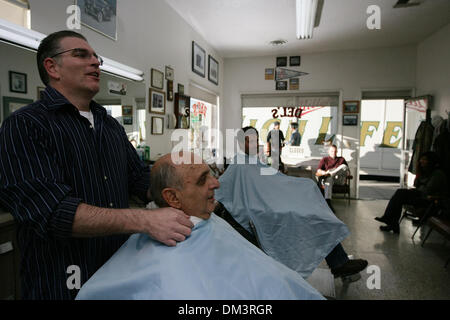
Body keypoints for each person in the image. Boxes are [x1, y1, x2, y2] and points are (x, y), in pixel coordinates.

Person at [0, 31, 193, 300]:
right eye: (81, 55)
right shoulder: (25, 125)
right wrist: (146, 220)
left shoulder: (109, 124)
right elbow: (54, 213)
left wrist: (187, 186)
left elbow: (139, 180)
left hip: (117, 273)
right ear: (51, 67)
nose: (95, 63)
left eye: (96, 57)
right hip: (61, 284)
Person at [76, 152, 324, 300]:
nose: (216, 184)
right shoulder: (170, 263)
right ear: (173, 198)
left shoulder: (210, 223)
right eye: (203, 180)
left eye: (211, 174)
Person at [215, 127, 368, 280]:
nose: (255, 144)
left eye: (256, 140)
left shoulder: (253, 162)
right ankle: (338, 263)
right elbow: (221, 188)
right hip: (261, 211)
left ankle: (339, 261)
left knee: (312, 201)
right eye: (250, 141)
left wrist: (288, 183)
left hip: (270, 205)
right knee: (313, 218)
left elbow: (269, 182)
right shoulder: (238, 164)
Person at [375, 151, 448, 234]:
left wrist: (416, 190)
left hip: (429, 201)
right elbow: (416, 184)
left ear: (431, 161)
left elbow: (427, 190)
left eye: (424, 160)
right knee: (399, 195)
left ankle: (390, 221)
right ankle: (392, 223)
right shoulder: (426, 172)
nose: (421, 161)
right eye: (421, 159)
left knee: (400, 194)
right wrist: (418, 172)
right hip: (422, 196)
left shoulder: (437, 174)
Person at [315, 144, 349, 212]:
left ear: (337, 152)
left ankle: (332, 173)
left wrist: (335, 172)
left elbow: (346, 170)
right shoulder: (325, 159)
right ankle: (328, 202)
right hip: (329, 179)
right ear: (328, 152)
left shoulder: (341, 159)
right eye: (332, 151)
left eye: (335, 151)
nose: (334, 153)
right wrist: (324, 173)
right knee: (329, 179)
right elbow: (318, 170)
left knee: (343, 166)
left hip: (339, 179)